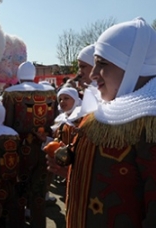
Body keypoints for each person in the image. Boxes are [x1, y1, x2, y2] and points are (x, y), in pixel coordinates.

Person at [47, 17, 156, 227]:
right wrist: (71, 171)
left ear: (135, 66)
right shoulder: (102, 111)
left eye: (102, 64)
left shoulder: (150, 126)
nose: (93, 74)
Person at [2, 61, 57, 227]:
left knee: (19, 193)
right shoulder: (50, 92)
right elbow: (54, 121)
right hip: (43, 147)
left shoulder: (11, 93)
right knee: (39, 192)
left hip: (20, 149)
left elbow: (8, 124)